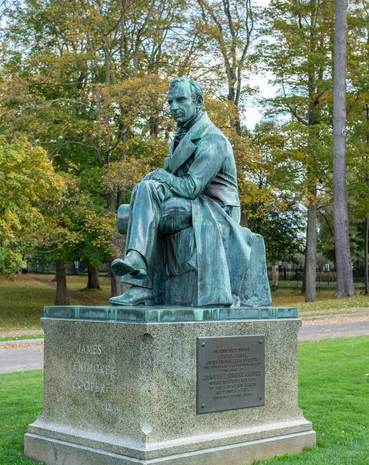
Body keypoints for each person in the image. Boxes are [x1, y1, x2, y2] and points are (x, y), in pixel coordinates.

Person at [109, 77, 270, 307]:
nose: (174, 107)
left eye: (181, 100)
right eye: (170, 101)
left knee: (145, 199)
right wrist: (154, 182)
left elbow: (192, 187)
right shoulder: (182, 136)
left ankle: (138, 271)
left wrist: (159, 176)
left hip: (213, 209)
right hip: (190, 205)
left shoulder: (212, 138)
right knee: (136, 204)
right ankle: (139, 280)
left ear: (198, 102)